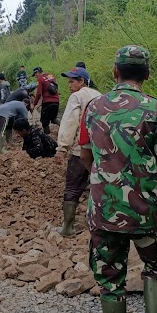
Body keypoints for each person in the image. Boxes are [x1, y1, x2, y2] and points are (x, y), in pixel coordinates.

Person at [78, 46, 157, 313]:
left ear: (115, 72)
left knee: (109, 277)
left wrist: (101, 178)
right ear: (147, 74)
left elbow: (85, 154)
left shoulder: (93, 107)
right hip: (143, 212)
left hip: (103, 211)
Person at [53, 67, 101, 237]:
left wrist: (62, 148)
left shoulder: (77, 97)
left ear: (82, 81)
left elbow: (69, 122)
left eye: (72, 81)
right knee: (98, 184)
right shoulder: (99, 95)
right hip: (101, 150)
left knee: (73, 187)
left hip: (81, 149)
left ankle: (68, 227)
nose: (69, 85)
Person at [32, 66, 60, 135]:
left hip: (47, 102)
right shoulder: (52, 76)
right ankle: (65, 128)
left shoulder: (40, 79)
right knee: (54, 119)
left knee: (44, 121)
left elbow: (39, 93)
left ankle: (47, 137)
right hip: (56, 101)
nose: (35, 77)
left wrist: (34, 104)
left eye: (35, 75)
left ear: (37, 73)